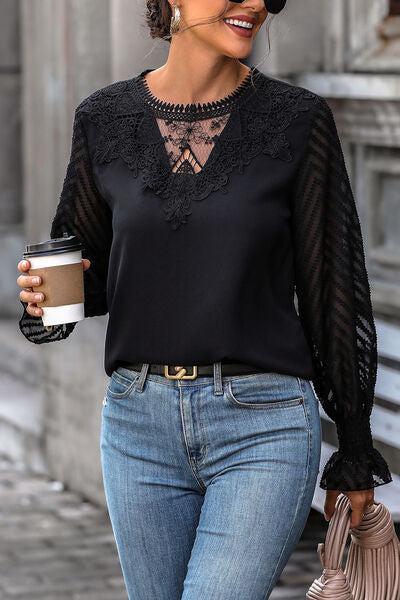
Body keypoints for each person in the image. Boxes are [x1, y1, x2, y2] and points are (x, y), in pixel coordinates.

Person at [16, 0, 392, 598]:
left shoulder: (297, 121)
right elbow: (86, 265)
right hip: (137, 426)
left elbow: (334, 291)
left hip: (262, 425)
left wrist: (352, 444)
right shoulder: (103, 118)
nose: (254, 3)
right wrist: (44, 297)